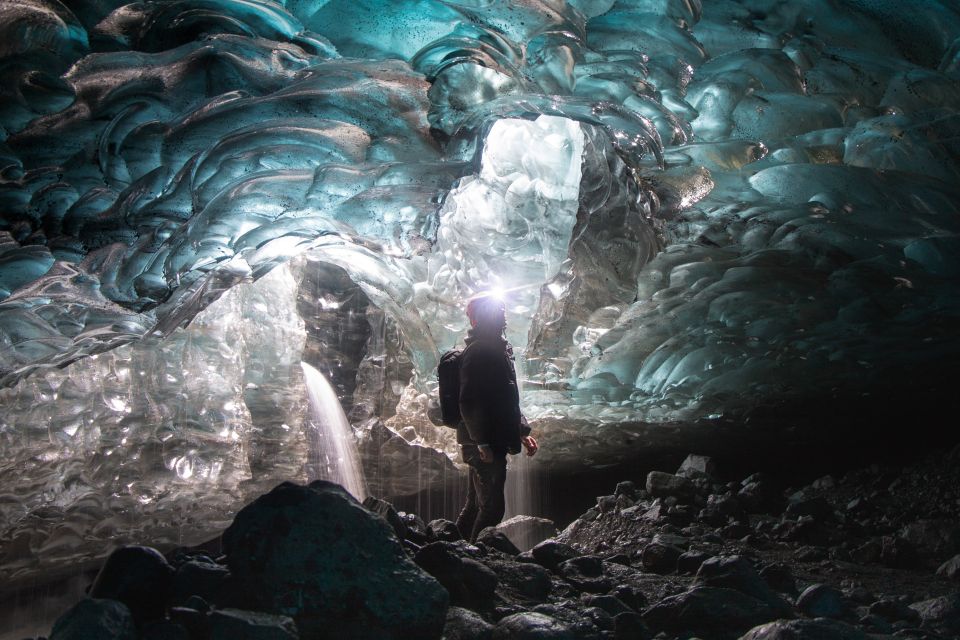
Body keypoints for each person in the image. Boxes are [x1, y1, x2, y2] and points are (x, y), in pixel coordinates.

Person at [455, 294, 538, 542]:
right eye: (498, 311)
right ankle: (473, 559)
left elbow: (506, 398)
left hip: (490, 439)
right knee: (492, 509)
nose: (504, 315)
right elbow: (469, 399)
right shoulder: (479, 351)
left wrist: (522, 432)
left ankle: (449, 551)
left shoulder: (497, 349)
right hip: (483, 442)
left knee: (474, 505)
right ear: (483, 318)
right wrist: (481, 442)